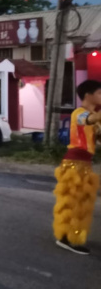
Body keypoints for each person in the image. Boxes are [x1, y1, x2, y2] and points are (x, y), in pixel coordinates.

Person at [53, 80, 101, 255]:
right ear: (88, 95)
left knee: (82, 205)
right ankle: (66, 238)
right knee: (72, 203)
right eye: (100, 93)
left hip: (86, 166)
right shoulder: (79, 114)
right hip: (73, 166)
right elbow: (89, 119)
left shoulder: (93, 116)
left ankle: (73, 236)